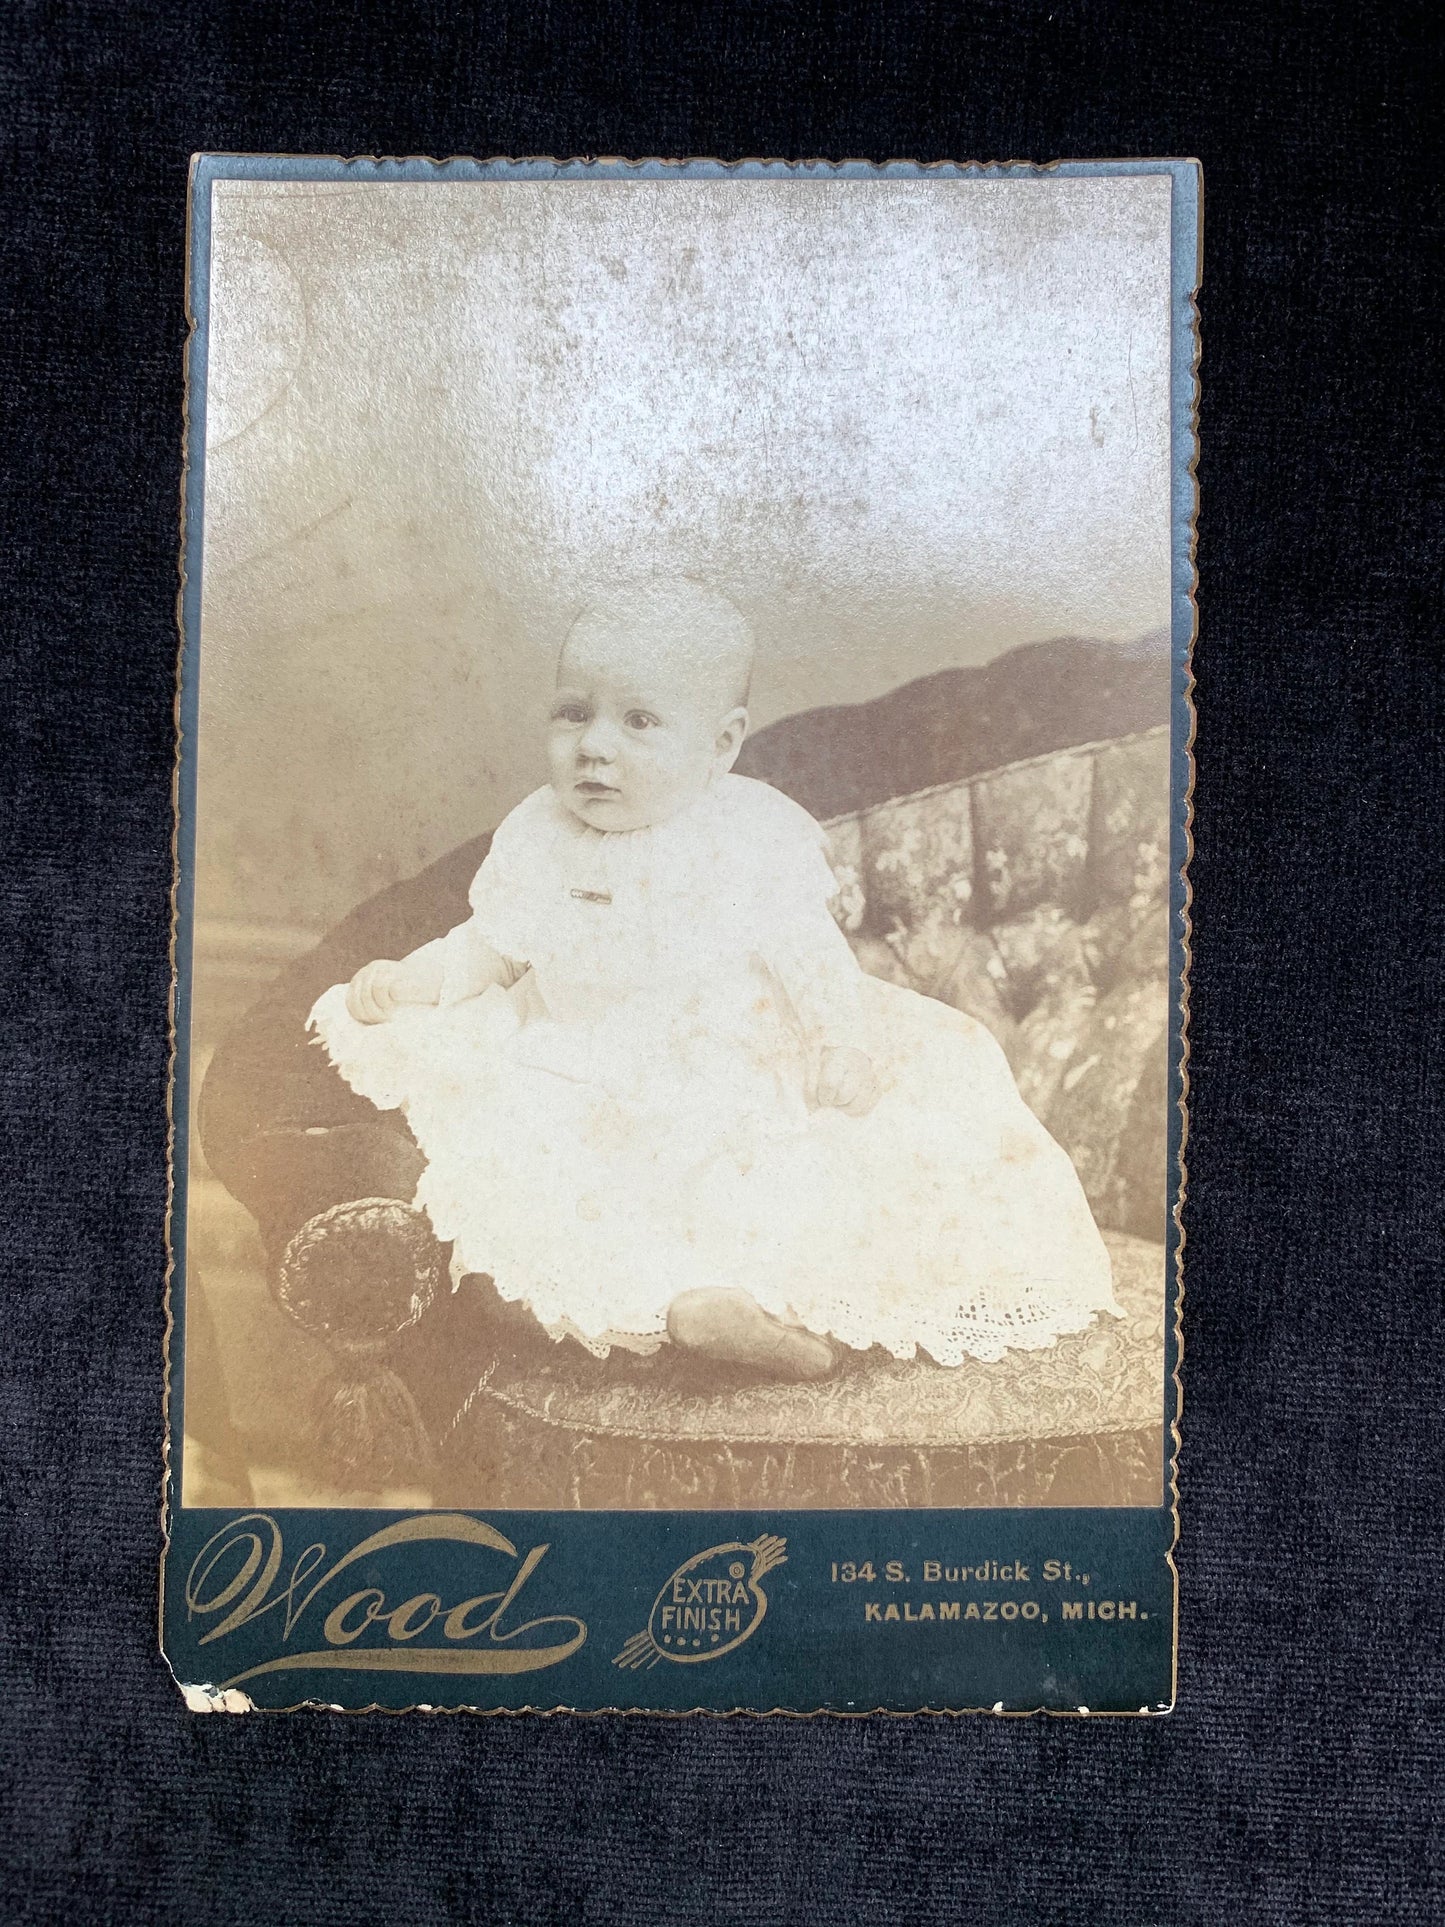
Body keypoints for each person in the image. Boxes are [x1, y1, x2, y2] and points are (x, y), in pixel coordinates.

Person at [309, 579, 1119, 1381]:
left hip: (721, 1071)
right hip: (575, 1068)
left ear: (721, 743)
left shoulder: (745, 836)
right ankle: (675, 1313)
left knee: (781, 1192)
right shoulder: (540, 834)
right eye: (572, 711)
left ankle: (778, 1314)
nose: (594, 744)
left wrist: (839, 1040)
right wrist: (413, 978)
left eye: (638, 721)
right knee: (516, 1216)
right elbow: (495, 943)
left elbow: (811, 957)